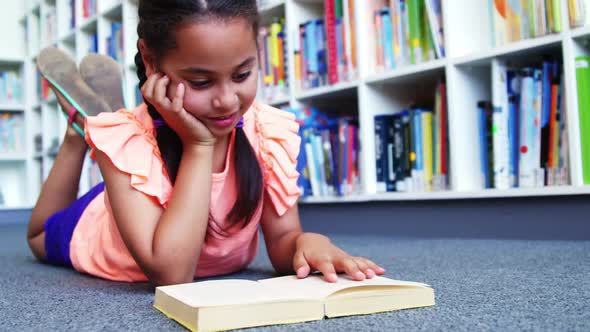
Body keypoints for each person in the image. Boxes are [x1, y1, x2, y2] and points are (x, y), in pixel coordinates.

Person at [26, 0, 385, 286]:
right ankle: (80, 131)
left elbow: (282, 240)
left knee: (124, 149)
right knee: (39, 237)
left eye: (242, 74)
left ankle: (94, 121)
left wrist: (307, 242)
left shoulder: (267, 130)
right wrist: (198, 146)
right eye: (201, 82)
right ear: (151, 60)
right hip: (111, 216)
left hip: (141, 185)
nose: (227, 101)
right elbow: (172, 274)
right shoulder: (127, 142)